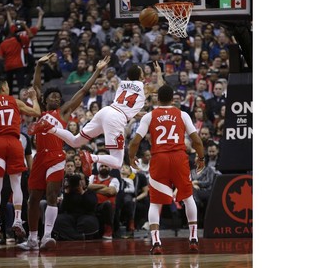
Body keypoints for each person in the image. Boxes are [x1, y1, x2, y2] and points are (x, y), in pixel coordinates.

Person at [17, 54, 110, 251]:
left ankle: (48, 236)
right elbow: (36, 88)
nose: (57, 98)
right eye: (53, 96)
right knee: (33, 198)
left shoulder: (64, 112)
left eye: (58, 97)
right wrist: (38, 66)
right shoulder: (40, 111)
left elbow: (84, 90)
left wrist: (98, 70)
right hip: (40, 156)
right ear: (45, 100)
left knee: (51, 195)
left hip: (57, 157)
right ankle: (33, 238)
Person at [29, 62, 165, 176]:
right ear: (142, 75)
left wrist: (134, 113)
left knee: (76, 142)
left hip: (105, 111)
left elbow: (126, 103)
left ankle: (49, 128)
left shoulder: (122, 83)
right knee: (118, 162)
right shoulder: (145, 87)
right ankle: (92, 157)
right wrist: (158, 72)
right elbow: (162, 88)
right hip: (116, 118)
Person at [128, 85, 205, 254]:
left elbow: (135, 142)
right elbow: (197, 140)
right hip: (179, 157)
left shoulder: (149, 116)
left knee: (155, 203)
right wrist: (201, 157)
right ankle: (193, 238)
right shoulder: (182, 114)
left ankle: (156, 243)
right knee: (188, 197)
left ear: (157, 98)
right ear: (173, 98)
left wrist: (131, 157)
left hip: (160, 158)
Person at [0, 76, 41, 242]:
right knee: (16, 184)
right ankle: (18, 219)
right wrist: (33, 98)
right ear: (4, 87)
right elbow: (36, 112)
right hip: (14, 142)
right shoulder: (15, 101)